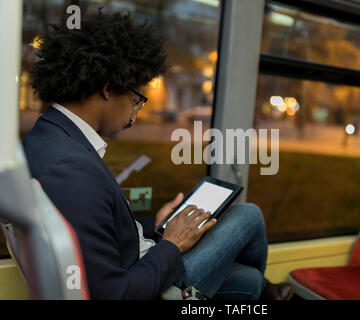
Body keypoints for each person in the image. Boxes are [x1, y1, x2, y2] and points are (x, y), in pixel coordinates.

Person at [22, 11, 293, 300]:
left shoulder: (46, 138)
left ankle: (264, 291)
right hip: (150, 285)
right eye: (136, 101)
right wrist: (173, 243)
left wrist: (154, 228)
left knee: (248, 280)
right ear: (108, 89)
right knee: (247, 214)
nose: (134, 117)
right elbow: (116, 294)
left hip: (138, 260)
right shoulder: (71, 170)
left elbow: (100, 231)